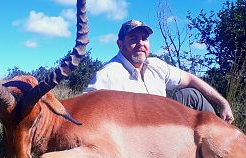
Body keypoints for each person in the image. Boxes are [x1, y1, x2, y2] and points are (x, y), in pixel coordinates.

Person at [85, 19, 234, 123]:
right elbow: (86, 109)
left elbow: (190, 79)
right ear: (120, 44)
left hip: (165, 120)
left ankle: (222, 135)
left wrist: (223, 103)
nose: (140, 44)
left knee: (191, 95)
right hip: (137, 132)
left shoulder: (156, 65)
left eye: (144, 38)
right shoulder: (107, 74)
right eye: (133, 39)